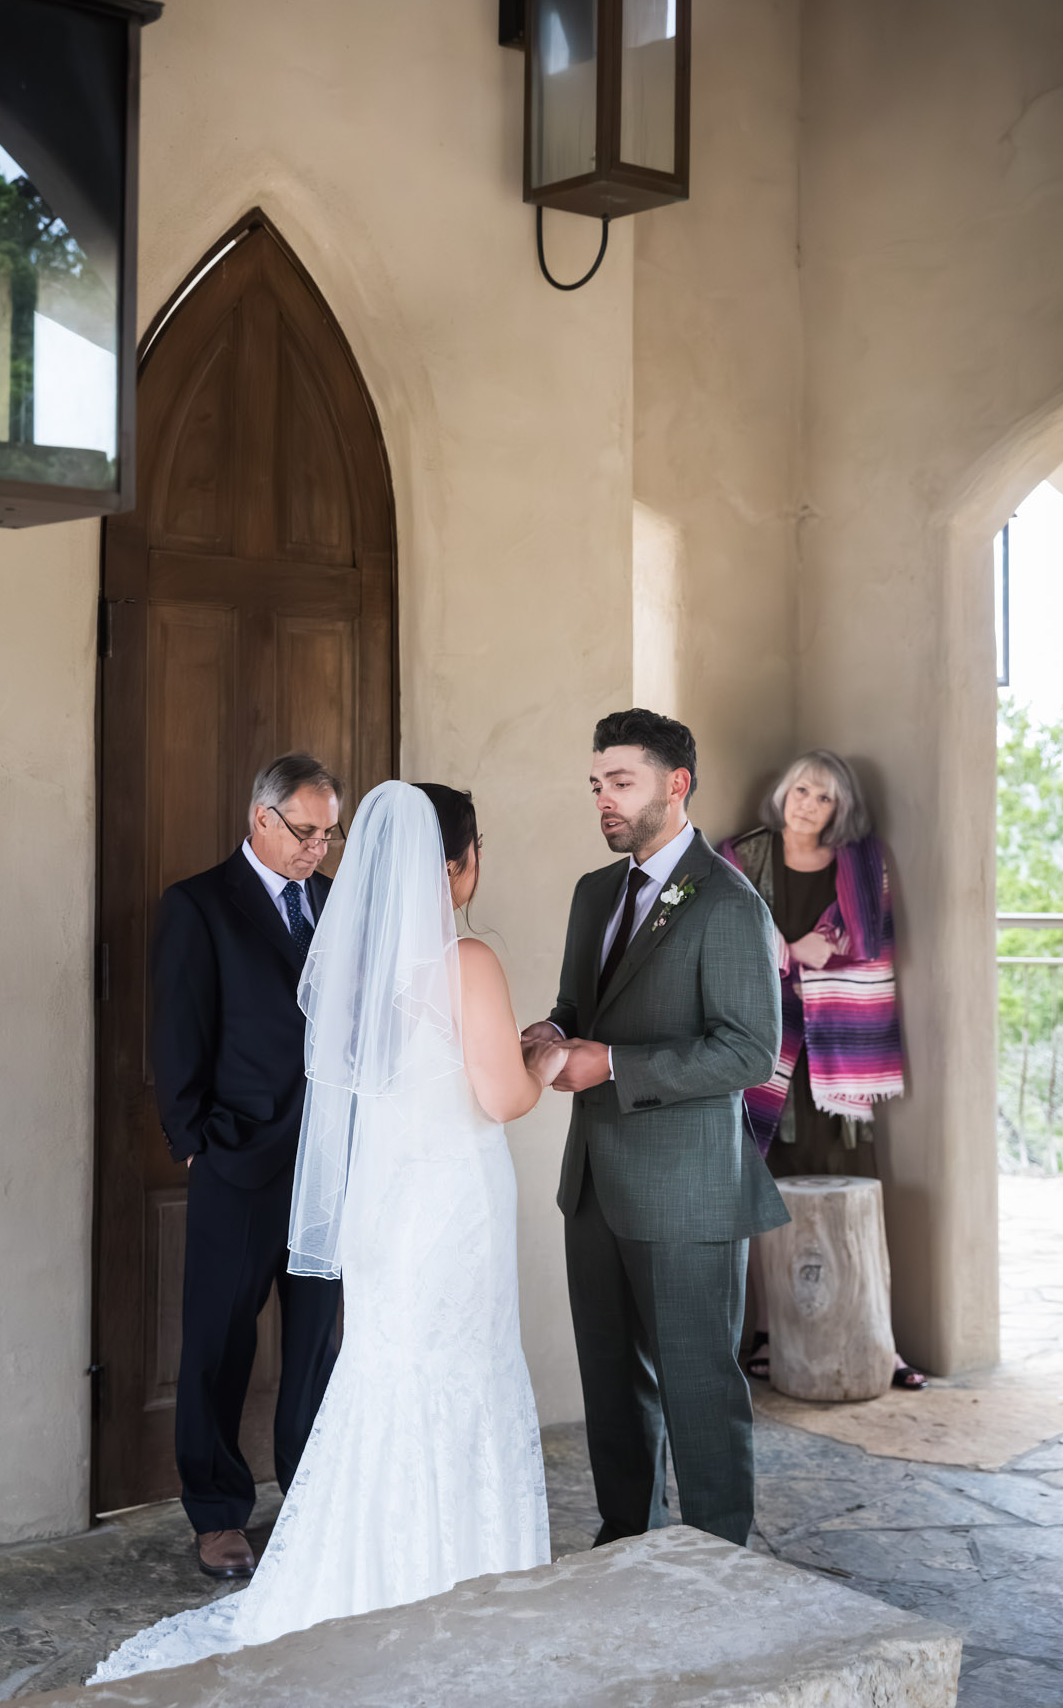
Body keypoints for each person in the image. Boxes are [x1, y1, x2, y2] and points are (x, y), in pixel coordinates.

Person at [93, 781, 566, 1682]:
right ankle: (460, 1569)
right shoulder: (466, 962)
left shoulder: (353, 966)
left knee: (381, 1378)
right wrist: (538, 1057)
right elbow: (500, 1095)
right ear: (457, 865)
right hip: (450, 1210)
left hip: (386, 1214)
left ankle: (367, 1567)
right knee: (458, 1372)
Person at [522, 708, 786, 1550]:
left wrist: (618, 1069)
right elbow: (577, 1010)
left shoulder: (728, 900)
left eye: (621, 782)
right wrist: (552, 1038)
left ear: (676, 786)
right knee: (610, 1382)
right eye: (596, 784)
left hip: (687, 1191)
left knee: (699, 1388)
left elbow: (749, 1053)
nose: (602, 799)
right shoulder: (592, 893)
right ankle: (627, 1543)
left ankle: (720, 1563)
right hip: (593, 1179)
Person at [150, 753, 346, 1580]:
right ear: (262, 819)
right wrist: (194, 1137)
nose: (318, 850)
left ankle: (305, 1502)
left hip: (330, 1163)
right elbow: (175, 1029)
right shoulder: (197, 904)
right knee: (218, 1344)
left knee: (314, 1346)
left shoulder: (337, 903)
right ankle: (218, 1512)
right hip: (238, 1157)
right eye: (306, 832)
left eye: (329, 834)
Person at [719, 749, 924, 1389]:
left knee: (853, 1189)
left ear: (841, 809)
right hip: (766, 1051)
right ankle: (768, 1336)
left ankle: (875, 1337)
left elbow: (873, 950)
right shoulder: (740, 857)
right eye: (802, 790)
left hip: (839, 1061)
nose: (808, 804)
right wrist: (789, 950)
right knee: (769, 1197)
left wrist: (807, 960)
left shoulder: (861, 868)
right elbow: (719, 938)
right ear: (782, 792)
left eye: (824, 797)